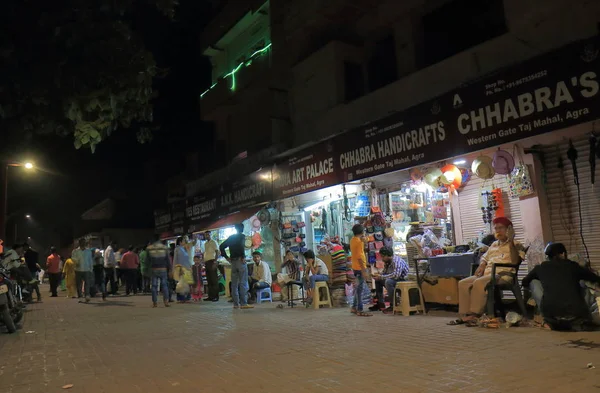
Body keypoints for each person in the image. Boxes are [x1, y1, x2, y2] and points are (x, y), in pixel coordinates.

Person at [450, 217, 525, 325]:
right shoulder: (494, 244)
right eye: (496, 228)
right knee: (463, 283)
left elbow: (514, 261)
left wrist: (511, 242)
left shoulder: (517, 244)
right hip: (487, 274)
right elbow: (485, 257)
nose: (498, 231)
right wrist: (482, 265)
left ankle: (475, 314)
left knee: (479, 282)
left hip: (502, 275)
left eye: (501, 228)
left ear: (509, 229)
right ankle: (466, 314)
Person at [522, 242, 600, 331]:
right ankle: (582, 318)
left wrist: (546, 281)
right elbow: (595, 278)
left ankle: (546, 318)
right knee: (582, 282)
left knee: (534, 282)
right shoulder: (573, 266)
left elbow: (524, 282)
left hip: (552, 317)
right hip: (576, 316)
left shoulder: (540, 268)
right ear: (562, 254)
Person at [220, 223, 253, 309]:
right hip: (240, 261)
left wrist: (226, 257)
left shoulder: (231, 237)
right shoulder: (242, 236)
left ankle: (236, 304)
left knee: (234, 284)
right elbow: (241, 246)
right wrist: (243, 256)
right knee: (243, 282)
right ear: (242, 229)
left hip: (233, 262)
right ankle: (243, 303)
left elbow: (221, 246)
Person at [370, 247, 410, 313]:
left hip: (403, 280)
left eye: (383, 257)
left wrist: (381, 277)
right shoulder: (387, 262)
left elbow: (396, 276)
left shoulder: (397, 261)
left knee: (388, 282)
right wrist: (378, 276)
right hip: (395, 280)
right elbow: (384, 273)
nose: (382, 259)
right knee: (378, 281)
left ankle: (393, 305)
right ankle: (380, 304)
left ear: (388, 255)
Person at [350, 224, 371, 316]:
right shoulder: (359, 242)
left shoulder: (353, 240)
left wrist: (365, 239)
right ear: (362, 232)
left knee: (359, 288)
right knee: (360, 289)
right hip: (359, 267)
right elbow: (359, 257)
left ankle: (354, 307)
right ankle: (360, 309)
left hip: (355, 267)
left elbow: (367, 240)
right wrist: (364, 270)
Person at [147, 239, 172, 308]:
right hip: (163, 269)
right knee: (164, 285)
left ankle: (155, 303)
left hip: (154, 269)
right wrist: (170, 269)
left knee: (154, 286)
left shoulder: (149, 248)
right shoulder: (164, 248)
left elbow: (148, 260)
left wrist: (148, 270)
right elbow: (168, 259)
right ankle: (166, 302)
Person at [71, 238, 95, 303]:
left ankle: (87, 295)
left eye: (84, 242)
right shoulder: (75, 251)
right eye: (82, 242)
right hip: (78, 270)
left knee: (87, 283)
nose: (83, 244)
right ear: (79, 243)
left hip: (86, 269)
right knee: (79, 284)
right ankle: (80, 297)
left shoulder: (88, 251)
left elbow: (90, 260)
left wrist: (91, 269)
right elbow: (73, 259)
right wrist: (76, 262)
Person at [173, 237, 193, 303]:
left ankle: (186, 298)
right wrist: (176, 268)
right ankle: (181, 298)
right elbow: (175, 260)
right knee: (180, 284)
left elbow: (187, 259)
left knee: (186, 283)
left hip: (186, 268)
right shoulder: (177, 249)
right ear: (180, 242)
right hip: (181, 268)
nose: (185, 242)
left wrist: (190, 267)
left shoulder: (183, 249)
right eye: (184, 240)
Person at [203, 231, 221, 302]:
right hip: (207, 262)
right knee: (209, 280)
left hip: (212, 261)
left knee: (214, 280)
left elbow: (217, 252)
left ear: (210, 235)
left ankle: (216, 296)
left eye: (208, 234)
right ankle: (210, 296)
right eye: (206, 235)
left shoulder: (214, 242)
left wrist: (215, 262)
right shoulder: (205, 244)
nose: (207, 236)